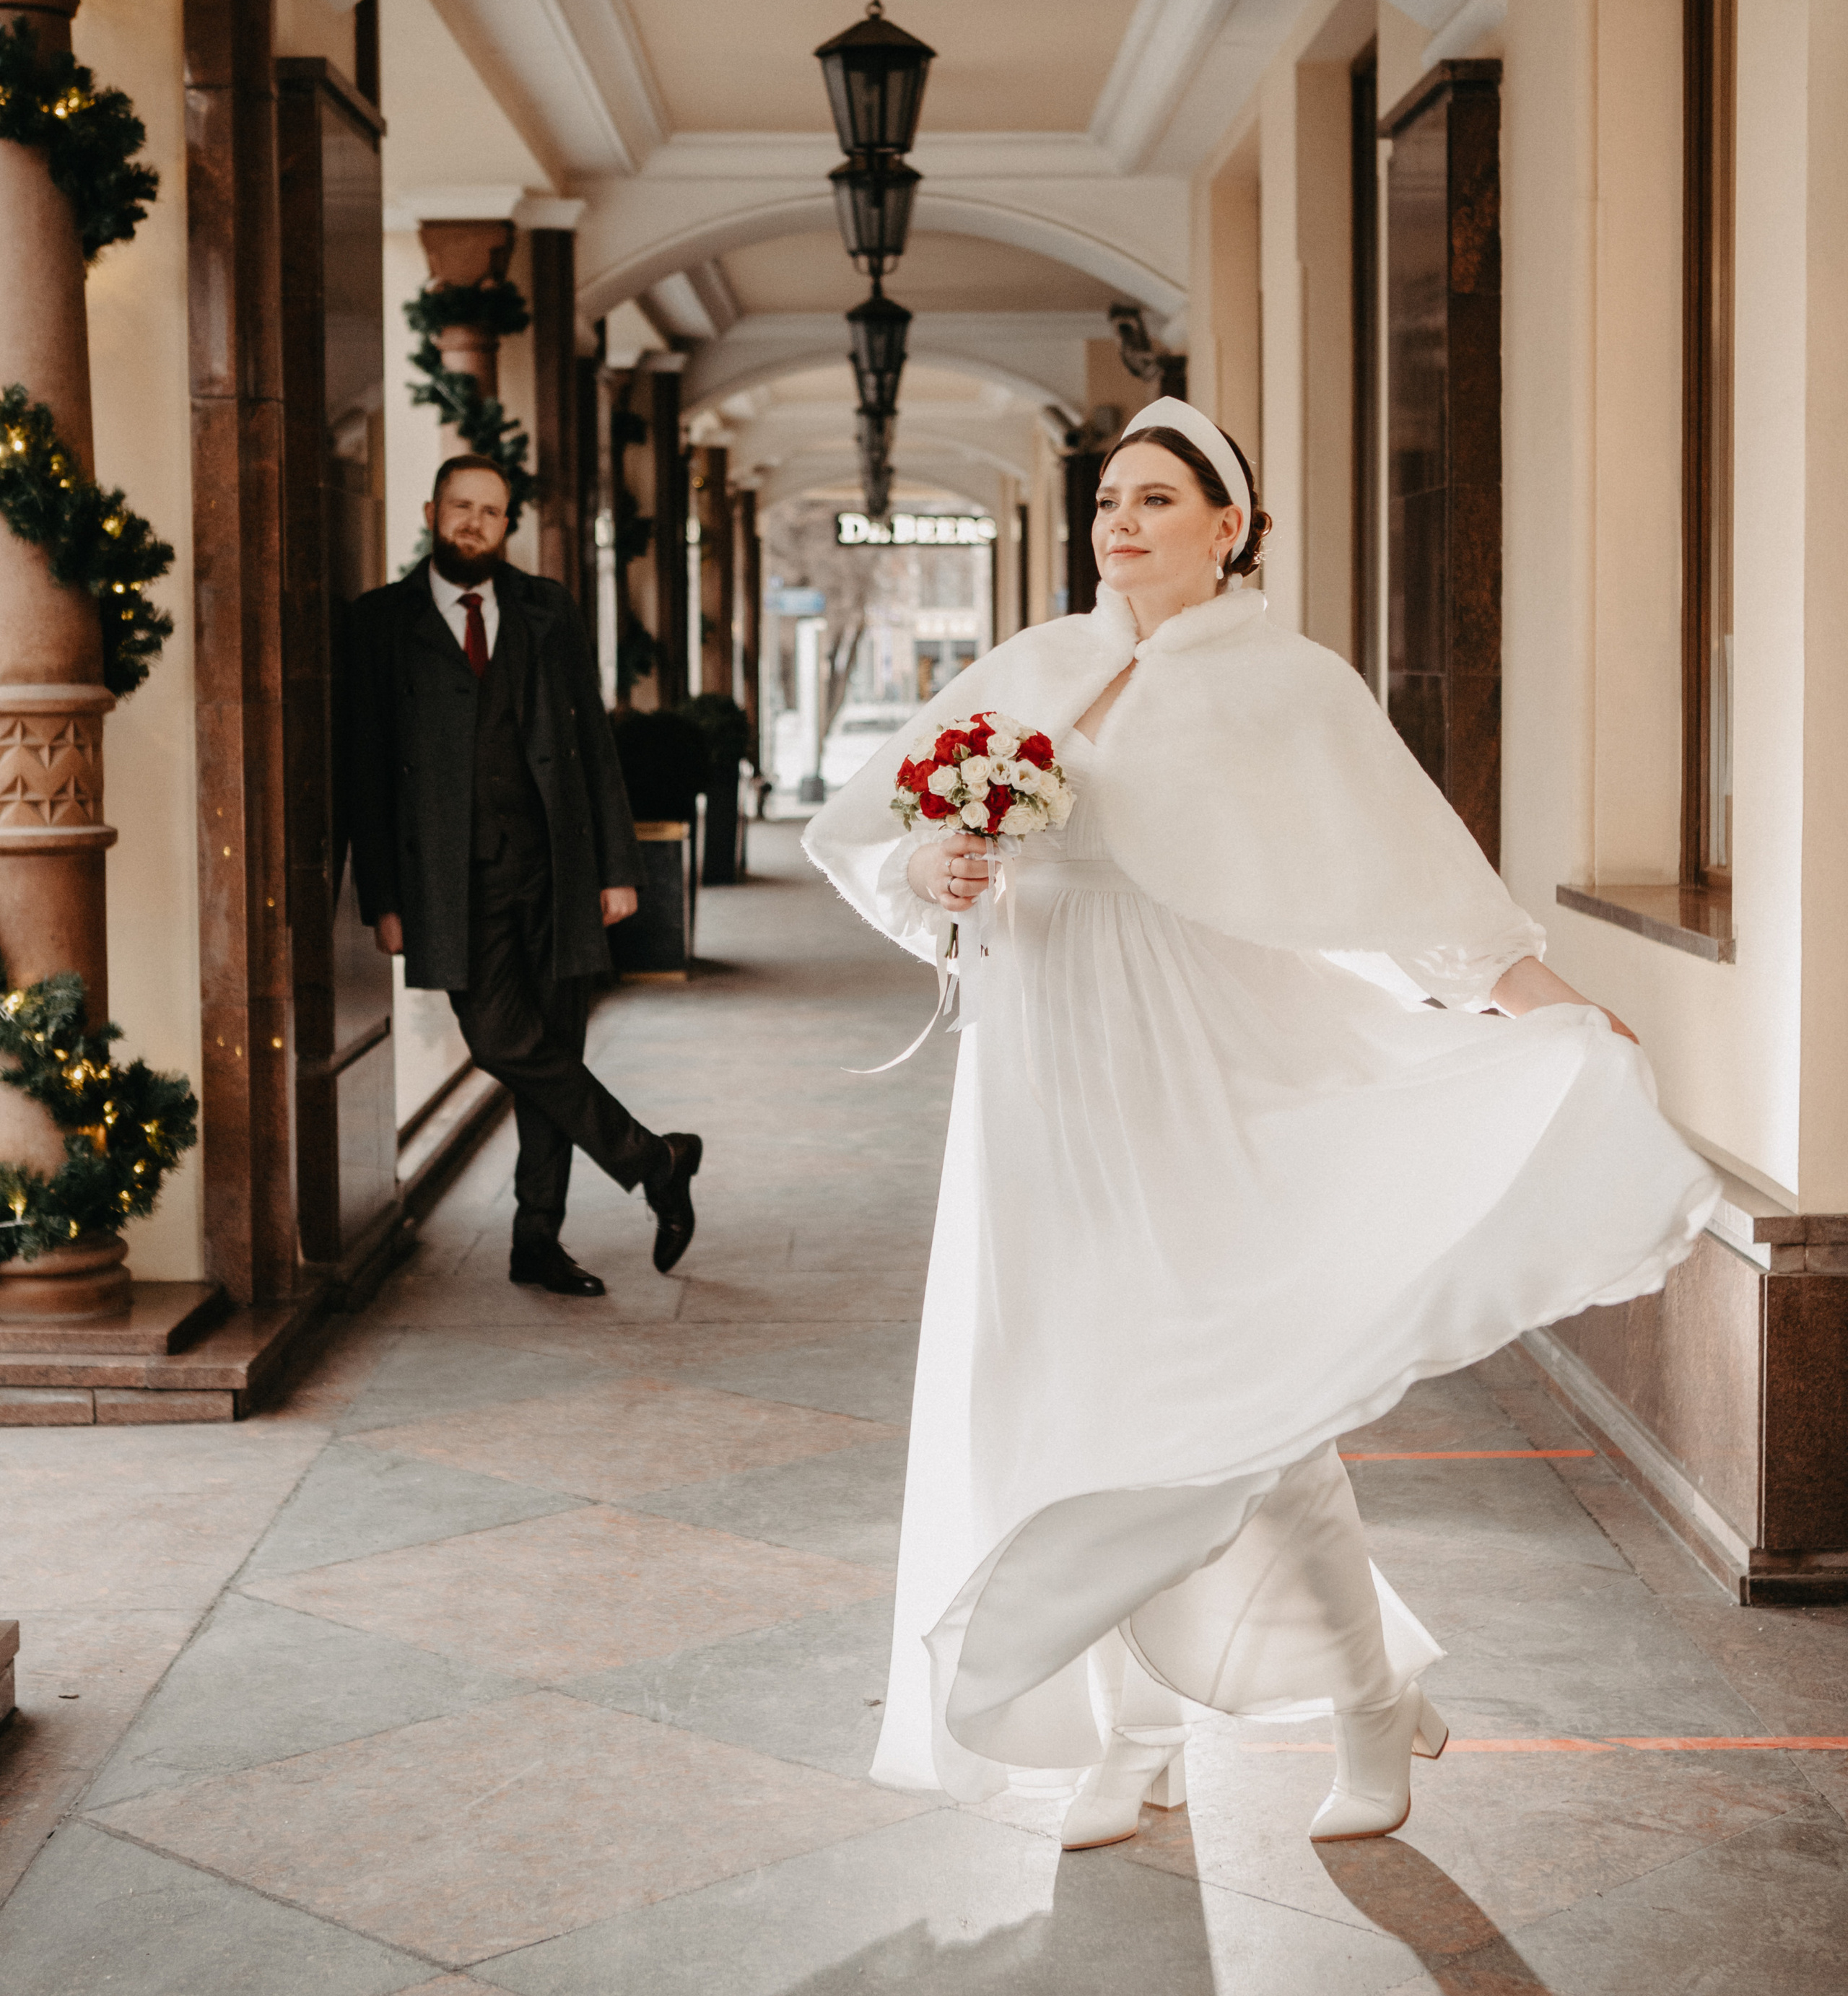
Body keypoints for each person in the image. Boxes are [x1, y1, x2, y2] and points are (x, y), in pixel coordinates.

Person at [805, 397, 1716, 1849]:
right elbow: (875, 834)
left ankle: (1363, 1704)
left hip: (1202, 1075)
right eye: (1110, 498)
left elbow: (1413, 881)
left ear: (1230, 529)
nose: (1122, 522)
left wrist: (1548, 1005)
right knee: (1062, 1394)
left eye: (1157, 499)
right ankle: (1130, 1736)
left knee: (1247, 1420)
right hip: (1041, 1083)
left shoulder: (1293, 689)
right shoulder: (1034, 665)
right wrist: (939, 859)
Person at [346, 454, 702, 1298]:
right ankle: (655, 1160)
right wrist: (383, 900)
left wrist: (618, 869)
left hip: (557, 870)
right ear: (434, 511)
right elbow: (365, 769)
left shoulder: (547, 610)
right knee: (504, 1043)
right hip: (448, 884)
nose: (475, 522)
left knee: (551, 1050)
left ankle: (536, 1241)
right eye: (461, 507)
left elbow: (592, 748)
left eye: (492, 512)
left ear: (510, 525)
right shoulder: (380, 623)